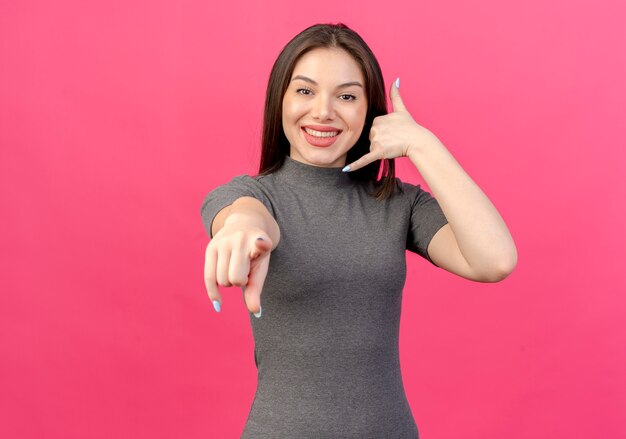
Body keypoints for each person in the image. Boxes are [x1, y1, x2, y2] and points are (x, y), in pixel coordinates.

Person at [200, 23, 516, 439]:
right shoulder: (250, 195)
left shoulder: (399, 203)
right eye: (305, 91)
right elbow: (245, 215)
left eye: (346, 96)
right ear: (280, 98)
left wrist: (422, 144)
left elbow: (495, 260)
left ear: (370, 111)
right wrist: (242, 226)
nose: (323, 111)